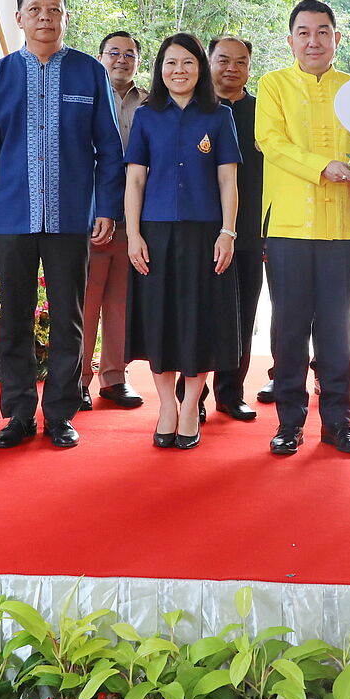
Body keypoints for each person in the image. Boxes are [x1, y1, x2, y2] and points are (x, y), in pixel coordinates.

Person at [0, 0, 124, 451]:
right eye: (35, 10)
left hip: (71, 218)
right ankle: (16, 413)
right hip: (11, 217)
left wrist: (107, 207)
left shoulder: (88, 72)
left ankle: (60, 412)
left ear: (65, 16)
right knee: (14, 319)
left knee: (69, 320)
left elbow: (109, 147)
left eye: (54, 10)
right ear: (19, 18)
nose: (45, 18)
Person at [257, 0, 350, 455]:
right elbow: (271, 142)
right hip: (288, 225)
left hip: (343, 227)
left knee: (337, 329)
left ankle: (337, 422)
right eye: (303, 32)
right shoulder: (273, 84)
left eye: (322, 32)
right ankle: (289, 422)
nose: (313, 41)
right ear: (290, 41)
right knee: (288, 329)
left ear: (336, 39)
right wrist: (323, 165)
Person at [124, 33, 242, 449]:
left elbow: (228, 179)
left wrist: (228, 232)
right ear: (160, 69)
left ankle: (191, 403)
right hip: (154, 234)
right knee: (160, 320)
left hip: (206, 234)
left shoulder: (219, 115)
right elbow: (135, 180)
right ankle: (166, 407)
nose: (179, 71)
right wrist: (134, 234)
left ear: (201, 69)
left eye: (188, 63)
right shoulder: (146, 116)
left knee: (199, 320)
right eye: (171, 63)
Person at [81, 30, 148, 411]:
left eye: (129, 54)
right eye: (113, 53)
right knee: (86, 302)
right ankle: (78, 378)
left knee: (121, 302)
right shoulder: (85, 98)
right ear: (101, 56)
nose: (121, 60)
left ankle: (114, 378)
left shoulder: (152, 103)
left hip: (134, 218)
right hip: (91, 214)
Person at [207, 35, 261, 421]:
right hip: (197, 230)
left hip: (247, 232)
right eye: (223, 59)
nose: (231, 68)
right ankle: (188, 393)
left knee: (242, 314)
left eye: (240, 62)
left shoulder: (264, 112)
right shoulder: (193, 108)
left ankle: (230, 391)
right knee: (197, 313)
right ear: (208, 62)